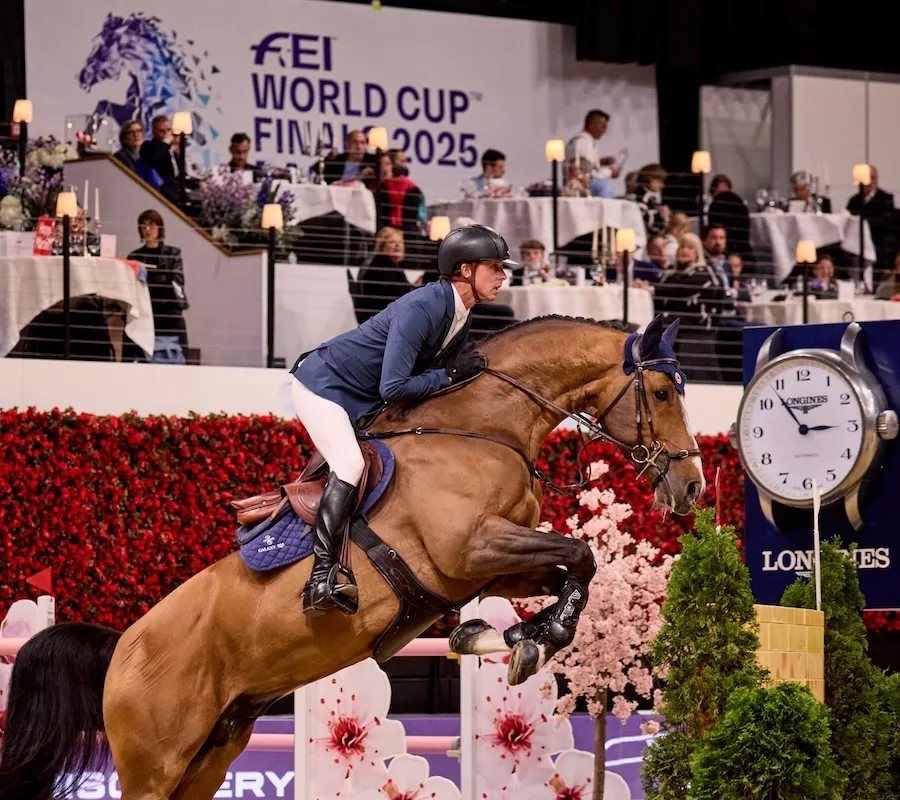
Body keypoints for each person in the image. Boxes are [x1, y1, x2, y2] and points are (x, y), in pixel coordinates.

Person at [289, 224, 515, 615]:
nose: (503, 276)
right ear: (465, 270)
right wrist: (449, 375)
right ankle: (321, 577)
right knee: (350, 463)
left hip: (363, 396)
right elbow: (394, 387)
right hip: (323, 386)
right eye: (494, 266)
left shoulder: (461, 316)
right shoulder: (423, 306)